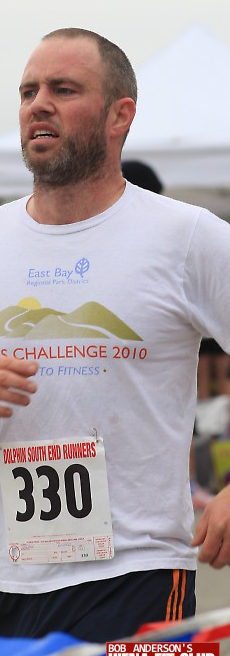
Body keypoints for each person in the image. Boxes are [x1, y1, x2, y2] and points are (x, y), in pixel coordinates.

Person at [0, 28, 230, 656]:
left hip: (143, 574)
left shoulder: (188, 235)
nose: (39, 104)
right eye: (28, 91)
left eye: (63, 89)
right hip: (6, 578)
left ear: (119, 115)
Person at [120, 159, 216, 512]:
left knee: (178, 416)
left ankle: (188, 484)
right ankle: (187, 484)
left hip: (159, 372)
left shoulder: (177, 238)